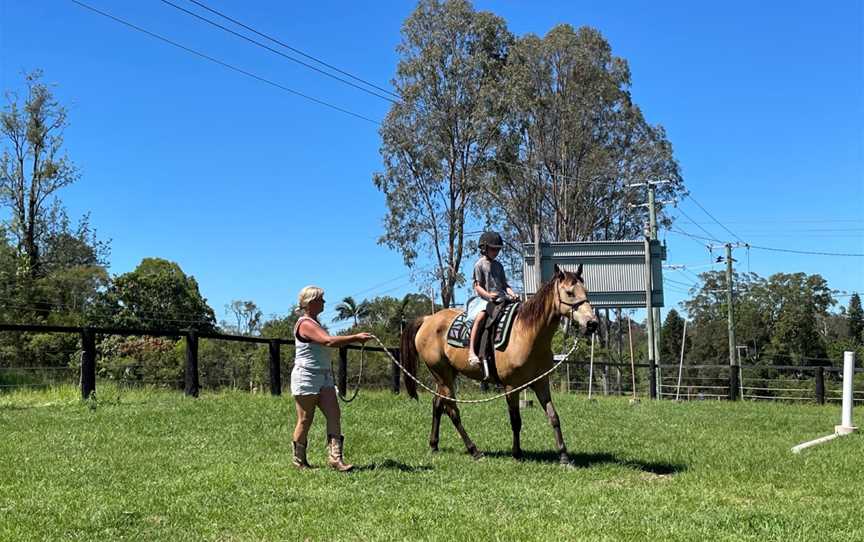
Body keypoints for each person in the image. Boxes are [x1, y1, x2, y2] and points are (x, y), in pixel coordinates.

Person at [290, 285, 372, 472]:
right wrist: (356, 337)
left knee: (334, 414)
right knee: (305, 419)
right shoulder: (305, 324)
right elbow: (328, 341)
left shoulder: (315, 323)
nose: (324, 302)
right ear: (311, 302)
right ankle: (299, 462)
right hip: (306, 376)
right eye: (321, 299)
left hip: (324, 376)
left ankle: (336, 459)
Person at [467, 232, 518, 377]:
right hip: (484, 299)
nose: (496, 252)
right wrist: (488, 295)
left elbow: (504, 284)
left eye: (498, 249)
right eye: (493, 249)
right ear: (484, 248)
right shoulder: (479, 265)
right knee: (481, 316)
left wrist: (512, 293)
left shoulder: (499, 266)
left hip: (501, 298)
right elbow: (477, 286)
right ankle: (472, 351)